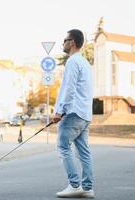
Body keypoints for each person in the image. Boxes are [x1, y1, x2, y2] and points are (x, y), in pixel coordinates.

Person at [51, 29, 94, 198]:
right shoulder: (84, 63)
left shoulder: (72, 62)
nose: (63, 43)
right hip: (85, 114)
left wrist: (60, 111)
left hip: (73, 113)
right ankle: (88, 188)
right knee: (84, 152)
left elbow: (69, 89)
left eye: (65, 40)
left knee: (63, 146)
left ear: (72, 42)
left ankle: (75, 185)